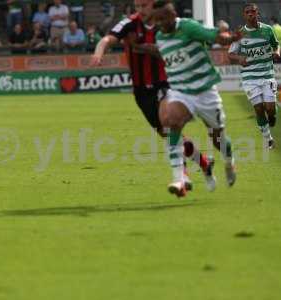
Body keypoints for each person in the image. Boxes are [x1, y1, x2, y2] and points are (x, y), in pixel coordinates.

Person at [92, 0, 216, 195]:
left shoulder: (165, 25)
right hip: (141, 91)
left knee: (169, 125)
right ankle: (203, 162)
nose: (140, 10)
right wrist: (99, 52)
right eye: (137, 6)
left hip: (166, 84)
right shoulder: (129, 24)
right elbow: (108, 39)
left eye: (144, 6)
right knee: (167, 134)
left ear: (153, 5)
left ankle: (181, 177)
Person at [153, 0, 239, 196]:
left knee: (218, 138)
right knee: (171, 122)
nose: (163, 21)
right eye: (159, 19)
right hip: (181, 92)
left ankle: (229, 162)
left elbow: (214, 36)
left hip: (205, 91)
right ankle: (178, 178)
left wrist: (228, 37)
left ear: (173, 14)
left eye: (166, 16)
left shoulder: (189, 27)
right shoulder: (160, 37)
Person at [228, 3, 280, 149]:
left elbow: (276, 45)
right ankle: (268, 138)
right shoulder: (240, 34)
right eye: (247, 12)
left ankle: (272, 115)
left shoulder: (268, 30)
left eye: (253, 11)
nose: (250, 14)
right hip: (250, 77)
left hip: (267, 74)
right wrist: (239, 59)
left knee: (270, 108)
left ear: (258, 13)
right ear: (244, 15)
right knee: (258, 108)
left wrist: (277, 52)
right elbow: (231, 53)